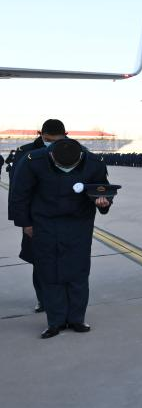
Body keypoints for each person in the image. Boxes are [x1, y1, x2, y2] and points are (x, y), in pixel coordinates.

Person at [9, 139, 113, 338]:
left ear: (80, 158)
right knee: (49, 272)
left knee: (78, 272)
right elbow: (20, 194)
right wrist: (25, 224)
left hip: (79, 224)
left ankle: (77, 319)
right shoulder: (33, 161)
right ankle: (55, 322)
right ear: (51, 156)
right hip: (44, 224)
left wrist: (103, 203)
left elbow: (103, 190)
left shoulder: (94, 162)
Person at [6, 119, 67, 313]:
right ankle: (43, 299)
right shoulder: (26, 152)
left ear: (66, 135)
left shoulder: (75, 150)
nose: (52, 143)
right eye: (47, 139)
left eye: (56, 140)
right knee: (40, 262)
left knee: (66, 260)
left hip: (65, 218)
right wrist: (24, 222)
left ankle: (63, 298)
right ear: (40, 133)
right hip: (37, 219)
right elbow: (17, 191)